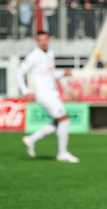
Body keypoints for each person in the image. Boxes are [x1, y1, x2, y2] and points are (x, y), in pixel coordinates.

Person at [16, 31, 79, 163]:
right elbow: (19, 72)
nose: (43, 42)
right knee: (64, 120)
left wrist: (63, 74)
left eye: (45, 39)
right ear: (37, 42)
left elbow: (50, 74)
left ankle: (31, 139)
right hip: (44, 94)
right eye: (40, 40)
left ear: (49, 40)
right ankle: (62, 153)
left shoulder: (49, 53)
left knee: (58, 123)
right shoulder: (34, 56)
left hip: (52, 93)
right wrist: (25, 91)